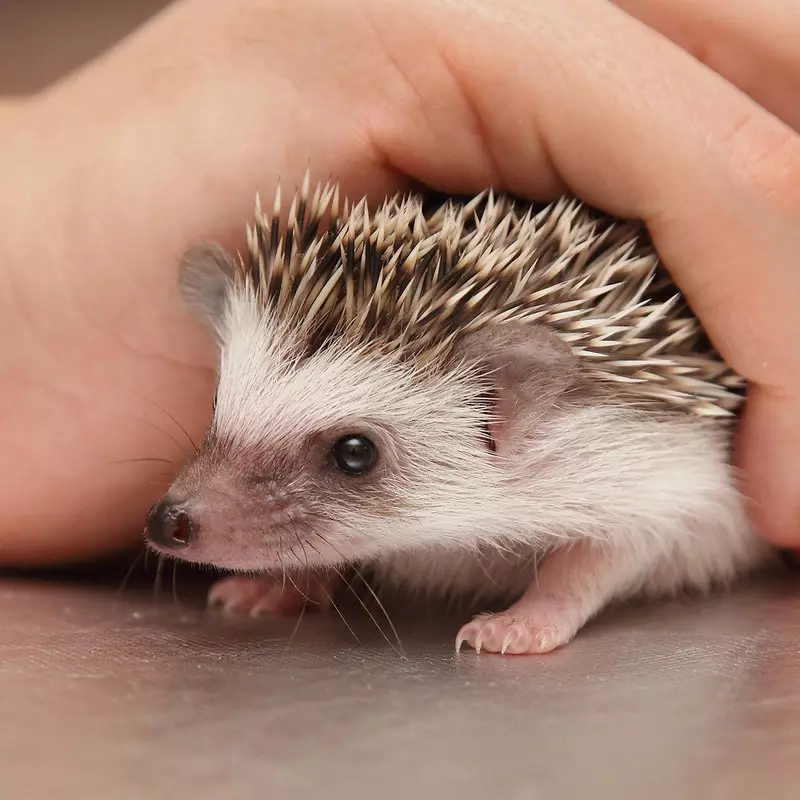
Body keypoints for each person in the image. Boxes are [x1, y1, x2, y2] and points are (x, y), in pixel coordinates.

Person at [0, 0, 797, 567]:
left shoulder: (591, 454)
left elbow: (653, 529)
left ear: (502, 410)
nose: (187, 505)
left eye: (352, 455)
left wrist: (551, 602)